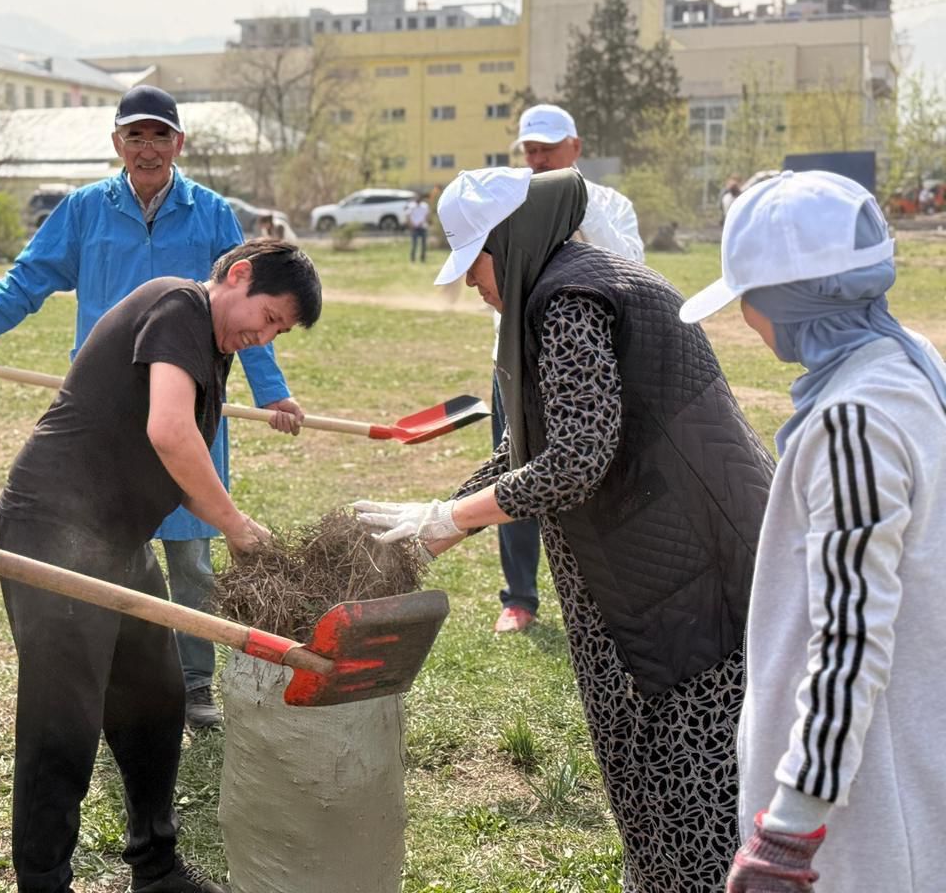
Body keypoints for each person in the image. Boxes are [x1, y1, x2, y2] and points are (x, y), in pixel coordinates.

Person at [355, 166, 773, 892]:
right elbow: (539, 443)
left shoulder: (568, 300)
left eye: (476, 265)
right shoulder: (581, 279)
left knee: (687, 794)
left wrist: (450, 519)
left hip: (682, 594)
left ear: (509, 242)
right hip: (668, 574)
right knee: (665, 799)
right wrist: (445, 516)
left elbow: (577, 460)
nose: (477, 286)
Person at [0, 85, 304, 730]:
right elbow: (26, 281)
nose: (148, 147)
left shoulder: (213, 213)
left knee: (191, 555)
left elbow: (254, 309)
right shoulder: (83, 211)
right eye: (135, 135)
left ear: (179, 144)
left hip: (187, 406)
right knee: (102, 549)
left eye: (160, 135)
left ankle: (194, 684)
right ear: (117, 144)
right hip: (107, 410)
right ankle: (110, 678)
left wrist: (271, 390)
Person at [0, 239, 321, 893]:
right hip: (55, 531)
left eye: (279, 331)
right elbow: (169, 431)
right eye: (268, 316)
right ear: (238, 275)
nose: (264, 335)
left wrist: (233, 525)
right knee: (64, 720)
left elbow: (182, 448)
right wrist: (234, 524)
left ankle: (155, 865)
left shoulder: (213, 346)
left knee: (156, 699)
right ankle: (42, 882)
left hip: (116, 543)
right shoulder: (179, 306)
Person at [680, 171, 946, 893]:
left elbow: (852, 639)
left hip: (861, 817)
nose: (745, 320)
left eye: (750, 300)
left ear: (791, 299)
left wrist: (789, 834)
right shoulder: (908, 367)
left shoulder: (852, 421)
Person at [491, 103, 645, 633]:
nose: (536, 160)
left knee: (591, 474)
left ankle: (604, 597)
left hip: (592, 366)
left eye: (547, 150)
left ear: (575, 149)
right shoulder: (506, 203)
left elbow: (632, 270)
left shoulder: (610, 205)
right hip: (516, 363)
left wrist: (577, 207)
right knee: (514, 470)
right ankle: (519, 598)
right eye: (529, 150)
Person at [407, 193, 430, 263]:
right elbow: (408, 216)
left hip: (423, 227)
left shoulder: (425, 206)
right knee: (414, 244)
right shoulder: (411, 206)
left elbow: (427, 215)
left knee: (424, 244)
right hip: (414, 227)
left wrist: (422, 222)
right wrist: (411, 224)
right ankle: (412, 258)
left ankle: (422, 258)